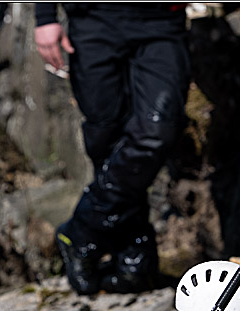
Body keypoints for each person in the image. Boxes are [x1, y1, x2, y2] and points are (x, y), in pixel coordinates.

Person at [34, 3, 191, 295]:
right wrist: (45, 17)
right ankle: (134, 255)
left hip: (161, 21)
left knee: (156, 130)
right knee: (105, 137)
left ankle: (82, 230)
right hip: (92, 19)